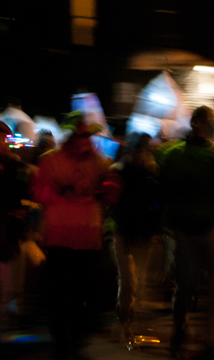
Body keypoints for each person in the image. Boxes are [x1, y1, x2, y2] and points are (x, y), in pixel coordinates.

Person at [33, 111, 121, 360]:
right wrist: (59, 192)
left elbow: (113, 192)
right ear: (70, 136)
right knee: (60, 292)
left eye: (87, 136)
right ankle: (62, 338)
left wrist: (108, 189)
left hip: (88, 237)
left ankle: (78, 337)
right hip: (60, 237)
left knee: (86, 291)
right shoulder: (50, 161)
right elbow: (38, 192)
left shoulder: (100, 162)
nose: (85, 140)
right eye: (80, 135)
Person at [159, 105, 214, 358]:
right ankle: (182, 329)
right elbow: (164, 189)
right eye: (196, 120)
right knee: (187, 285)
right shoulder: (175, 154)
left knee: (211, 287)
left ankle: (206, 340)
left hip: (208, 226)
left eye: (203, 121)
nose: (198, 125)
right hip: (188, 228)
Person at [110, 132, 160, 343]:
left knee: (135, 281)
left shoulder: (149, 172)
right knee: (129, 281)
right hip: (127, 233)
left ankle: (129, 325)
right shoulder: (123, 171)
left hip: (137, 233)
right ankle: (126, 324)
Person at [0, 121, 31, 338]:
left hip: (9, 231)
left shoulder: (16, 167)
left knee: (10, 279)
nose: (4, 143)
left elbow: (23, 194)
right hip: (8, 228)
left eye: (5, 139)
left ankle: (8, 318)